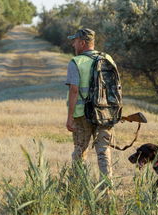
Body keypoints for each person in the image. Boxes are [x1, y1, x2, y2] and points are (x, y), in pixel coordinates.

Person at [65, 28, 114, 180]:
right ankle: (108, 191)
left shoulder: (76, 62)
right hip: (105, 114)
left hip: (82, 115)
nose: (73, 44)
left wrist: (70, 117)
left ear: (82, 42)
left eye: (75, 41)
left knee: (80, 151)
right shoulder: (107, 58)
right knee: (104, 152)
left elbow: (74, 90)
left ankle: (77, 189)